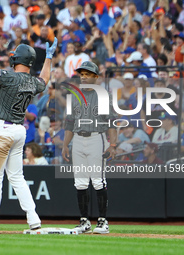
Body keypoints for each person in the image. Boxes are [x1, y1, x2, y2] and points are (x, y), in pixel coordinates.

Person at [0, 37, 57, 233]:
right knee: (17, 177)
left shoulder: (8, 76)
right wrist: (49, 57)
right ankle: (33, 219)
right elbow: (45, 79)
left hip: (1, 130)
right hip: (19, 131)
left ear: (17, 59)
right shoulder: (32, 81)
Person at [62, 61, 118, 234]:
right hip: (78, 139)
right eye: (82, 74)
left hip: (96, 137)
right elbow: (70, 123)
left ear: (95, 77)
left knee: (98, 180)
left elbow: (111, 123)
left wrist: (113, 144)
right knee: (80, 183)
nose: (84, 77)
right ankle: (84, 221)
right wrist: (65, 145)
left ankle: (102, 222)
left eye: (87, 74)